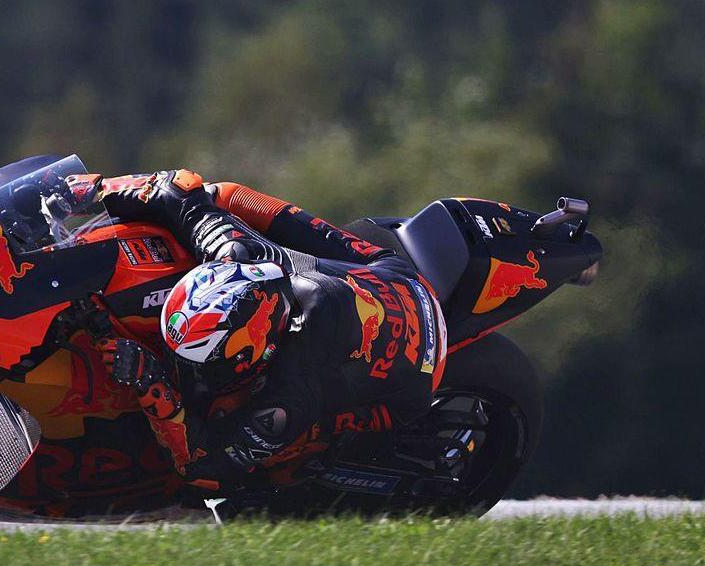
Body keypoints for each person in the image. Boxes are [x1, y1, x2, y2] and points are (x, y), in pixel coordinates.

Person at [92, 170, 448, 496]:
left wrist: (155, 388)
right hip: (394, 274)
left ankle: (315, 476)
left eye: (204, 365)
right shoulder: (240, 256)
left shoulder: (292, 393)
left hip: (419, 375)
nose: (190, 372)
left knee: (266, 474)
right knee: (225, 195)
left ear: (255, 352)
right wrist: (85, 190)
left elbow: (205, 469)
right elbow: (180, 187)